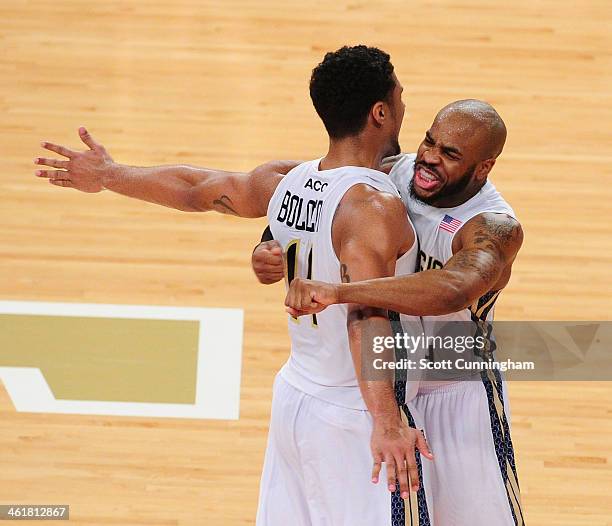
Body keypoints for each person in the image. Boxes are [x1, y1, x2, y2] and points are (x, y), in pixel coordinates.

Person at [34, 45, 432, 525]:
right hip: (352, 411)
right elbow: (366, 316)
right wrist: (387, 422)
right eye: (401, 98)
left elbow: (198, 188)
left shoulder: (288, 181)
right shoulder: (371, 207)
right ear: (381, 112)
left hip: (294, 398)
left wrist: (110, 175)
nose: (406, 109)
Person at [270, 99, 526, 526]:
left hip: (459, 395)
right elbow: (313, 193)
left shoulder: (493, 227)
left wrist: (339, 291)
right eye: (430, 140)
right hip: (400, 390)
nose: (429, 157)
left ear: (484, 167)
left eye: (450, 154)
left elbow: (452, 289)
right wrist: (268, 243)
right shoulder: (400, 171)